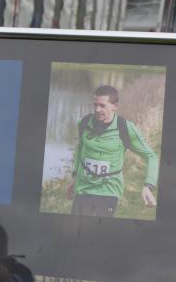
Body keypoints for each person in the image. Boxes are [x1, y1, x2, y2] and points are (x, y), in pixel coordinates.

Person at [67, 85, 158, 217]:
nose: (97, 109)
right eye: (95, 105)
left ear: (115, 106)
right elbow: (80, 148)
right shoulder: (84, 123)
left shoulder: (125, 128)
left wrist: (148, 186)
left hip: (108, 190)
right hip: (83, 188)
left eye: (102, 106)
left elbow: (151, 156)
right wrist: (74, 176)